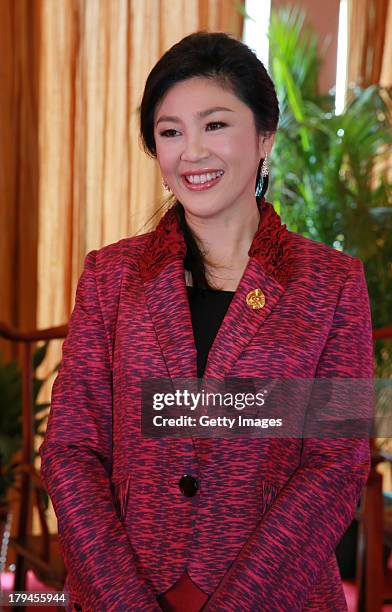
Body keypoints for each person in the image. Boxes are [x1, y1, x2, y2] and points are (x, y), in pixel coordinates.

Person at [39, 31, 373, 611]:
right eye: (171, 132)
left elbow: (335, 466)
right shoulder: (110, 276)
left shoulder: (332, 283)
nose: (192, 152)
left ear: (265, 135)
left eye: (215, 125)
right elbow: (71, 451)